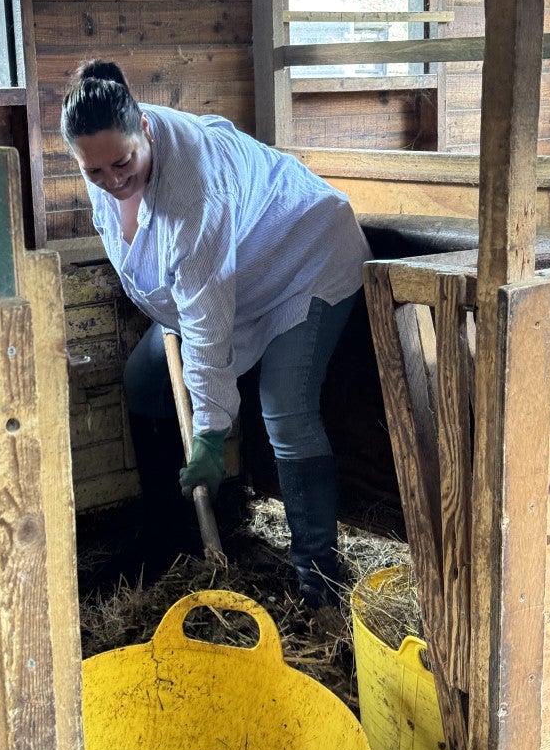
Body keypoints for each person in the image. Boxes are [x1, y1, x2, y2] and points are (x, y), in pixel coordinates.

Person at [61, 59, 372, 607]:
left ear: (146, 129)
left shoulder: (193, 186)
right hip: (231, 279)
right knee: (144, 378)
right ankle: (167, 534)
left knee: (285, 408)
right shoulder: (105, 158)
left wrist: (207, 435)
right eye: (96, 172)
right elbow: (168, 276)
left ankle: (316, 578)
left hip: (302, 259)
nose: (112, 180)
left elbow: (206, 320)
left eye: (123, 164)